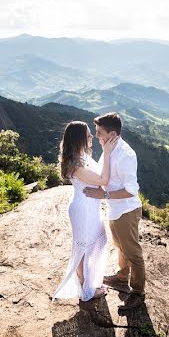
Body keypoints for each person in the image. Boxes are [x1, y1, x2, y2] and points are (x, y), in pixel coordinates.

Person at [84, 113, 145, 311]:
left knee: (133, 252)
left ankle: (137, 292)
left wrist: (104, 196)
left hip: (126, 210)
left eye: (99, 133)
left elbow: (130, 190)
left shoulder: (126, 155)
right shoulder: (108, 148)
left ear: (112, 133)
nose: (97, 136)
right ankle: (121, 277)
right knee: (120, 245)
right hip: (115, 209)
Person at [52, 121, 118, 302]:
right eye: (88, 135)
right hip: (83, 210)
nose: (91, 138)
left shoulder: (82, 157)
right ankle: (85, 287)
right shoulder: (76, 164)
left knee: (97, 244)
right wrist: (107, 152)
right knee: (84, 248)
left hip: (90, 208)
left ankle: (89, 282)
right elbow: (103, 179)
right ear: (79, 139)